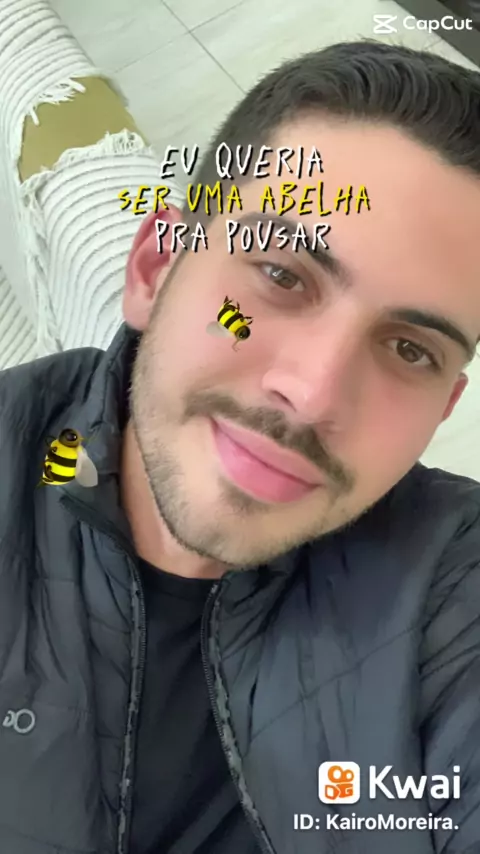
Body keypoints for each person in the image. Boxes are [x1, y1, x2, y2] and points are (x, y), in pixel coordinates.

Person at [1, 38, 480, 854]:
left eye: (409, 350)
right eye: (282, 275)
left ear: (444, 408)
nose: (314, 395)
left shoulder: (453, 588)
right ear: (155, 267)